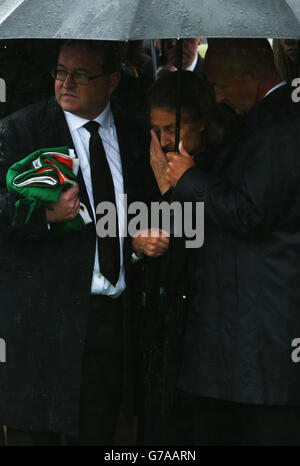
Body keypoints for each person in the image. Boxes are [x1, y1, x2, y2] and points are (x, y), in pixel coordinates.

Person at [0, 39, 165, 446]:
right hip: (41, 320)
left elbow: (146, 205)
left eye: (81, 75)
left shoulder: (136, 129)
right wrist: (43, 215)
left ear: (112, 80)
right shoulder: (22, 128)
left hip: (110, 321)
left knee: (99, 433)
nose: (66, 83)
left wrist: (144, 237)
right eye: (60, 71)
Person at [150, 38, 300, 445]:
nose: (215, 97)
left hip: (264, 334)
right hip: (239, 338)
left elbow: (251, 214)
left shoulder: (281, 123)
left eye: (219, 85)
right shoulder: (260, 118)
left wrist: (188, 178)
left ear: (252, 75)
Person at [134, 71, 237, 444]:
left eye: (173, 127)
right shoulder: (155, 159)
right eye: (155, 129)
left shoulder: (225, 161)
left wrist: (171, 192)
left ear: (202, 122)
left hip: (210, 326)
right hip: (164, 325)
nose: (163, 140)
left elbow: (201, 240)